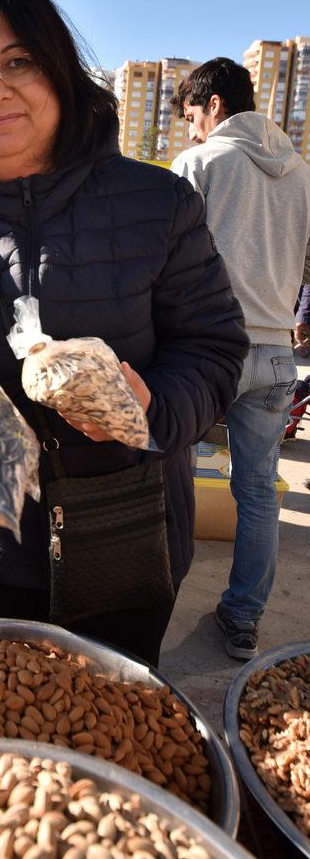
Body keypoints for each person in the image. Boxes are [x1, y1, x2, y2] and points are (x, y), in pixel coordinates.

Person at [0, 0, 249, 667]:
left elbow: (214, 347)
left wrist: (152, 406)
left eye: (17, 61)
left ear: (59, 68)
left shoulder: (158, 201)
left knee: (117, 734)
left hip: (132, 533)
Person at [171, 57, 310, 660]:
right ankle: (244, 618)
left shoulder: (200, 164)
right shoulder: (303, 173)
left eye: (192, 116)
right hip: (278, 353)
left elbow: (165, 262)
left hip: (208, 348)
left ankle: (149, 598)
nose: (190, 129)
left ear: (216, 105)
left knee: (165, 477)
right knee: (257, 491)